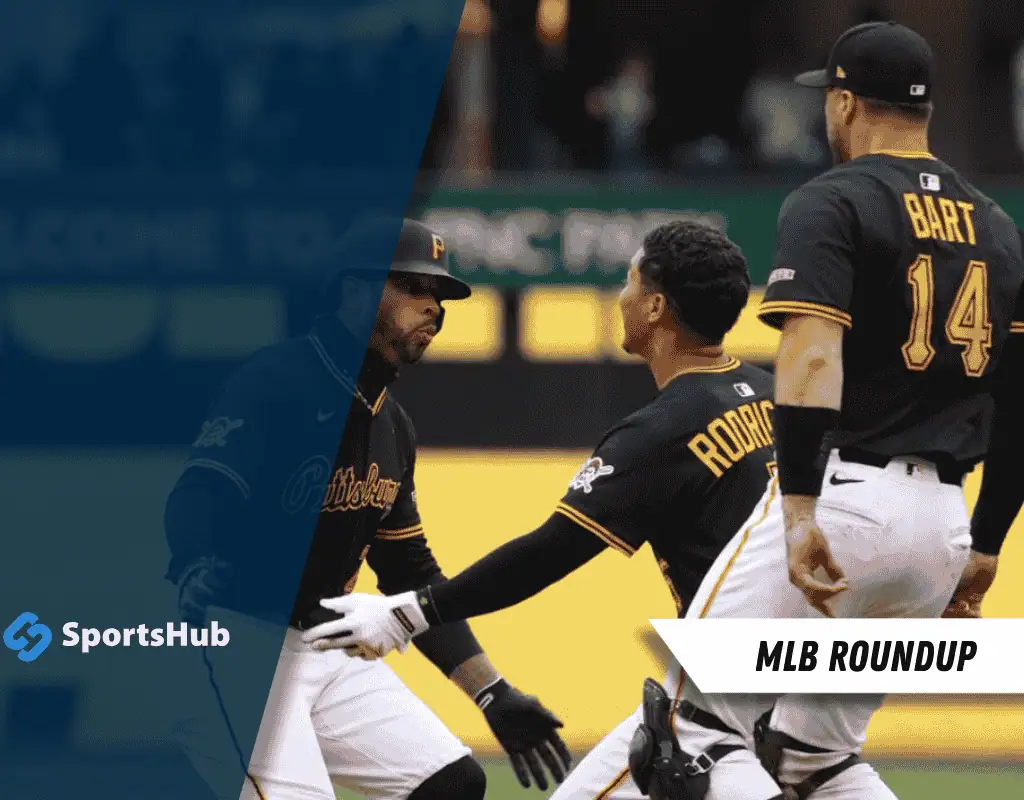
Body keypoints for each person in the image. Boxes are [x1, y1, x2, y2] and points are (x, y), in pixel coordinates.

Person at [650, 20, 1024, 800]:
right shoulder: (998, 226)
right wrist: (985, 544)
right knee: (814, 757)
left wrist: (797, 509)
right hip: (942, 532)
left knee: (688, 733)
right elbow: (1019, 400)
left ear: (847, 103)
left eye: (832, 100)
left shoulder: (836, 199)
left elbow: (813, 356)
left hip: (848, 502)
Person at [301, 219, 787, 800]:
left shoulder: (664, 428)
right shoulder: (777, 399)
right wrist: (490, 689)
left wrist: (409, 614)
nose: (622, 295)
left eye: (630, 281)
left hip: (721, 692)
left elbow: (549, 552)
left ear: (655, 307)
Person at [163, 218, 570, 800]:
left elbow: (411, 573)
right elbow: (200, 493)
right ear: (355, 289)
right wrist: (197, 560)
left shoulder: (393, 425)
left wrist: (492, 692)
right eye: (414, 287)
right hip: (233, 642)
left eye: (440, 295)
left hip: (322, 644)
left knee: (450, 785)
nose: (433, 308)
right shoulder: (276, 382)